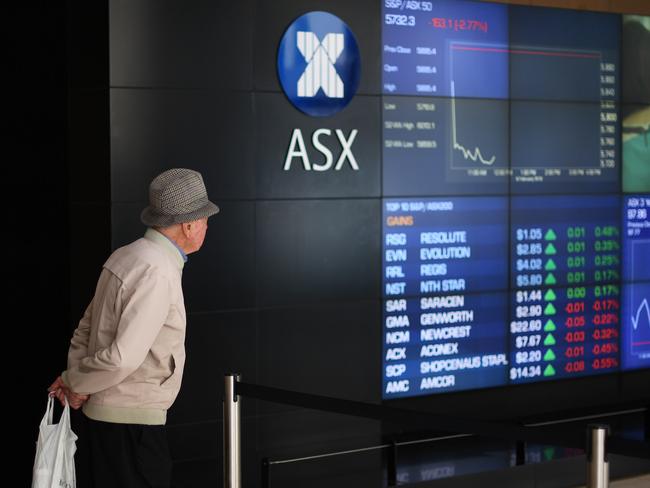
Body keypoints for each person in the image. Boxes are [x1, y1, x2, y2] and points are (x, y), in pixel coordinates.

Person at [48, 168, 219, 487]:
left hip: (104, 422)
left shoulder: (125, 256)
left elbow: (84, 330)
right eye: (206, 219)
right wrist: (75, 383)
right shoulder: (157, 270)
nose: (207, 226)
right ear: (190, 224)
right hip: (133, 426)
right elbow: (123, 357)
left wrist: (77, 380)